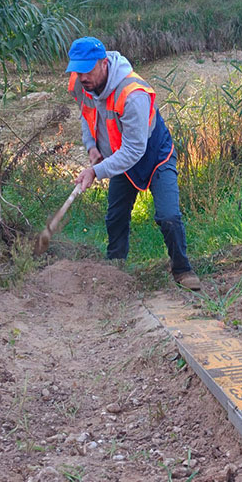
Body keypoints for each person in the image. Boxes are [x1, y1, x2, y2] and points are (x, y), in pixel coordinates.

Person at [66, 36, 202, 291]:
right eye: (77, 69)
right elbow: (86, 115)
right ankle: (115, 271)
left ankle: (182, 268)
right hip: (120, 157)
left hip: (154, 155)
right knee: (115, 217)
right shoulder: (80, 84)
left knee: (168, 216)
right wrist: (91, 146)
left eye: (87, 69)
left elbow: (135, 149)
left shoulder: (133, 93)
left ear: (103, 64)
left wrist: (96, 171)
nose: (82, 76)